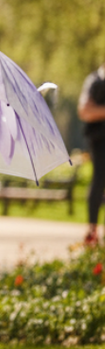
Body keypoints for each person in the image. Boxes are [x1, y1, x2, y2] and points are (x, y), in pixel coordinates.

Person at [78, 61, 105, 246]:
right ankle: (92, 230)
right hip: (99, 140)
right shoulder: (94, 82)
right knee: (99, 180)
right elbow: (85, 111)